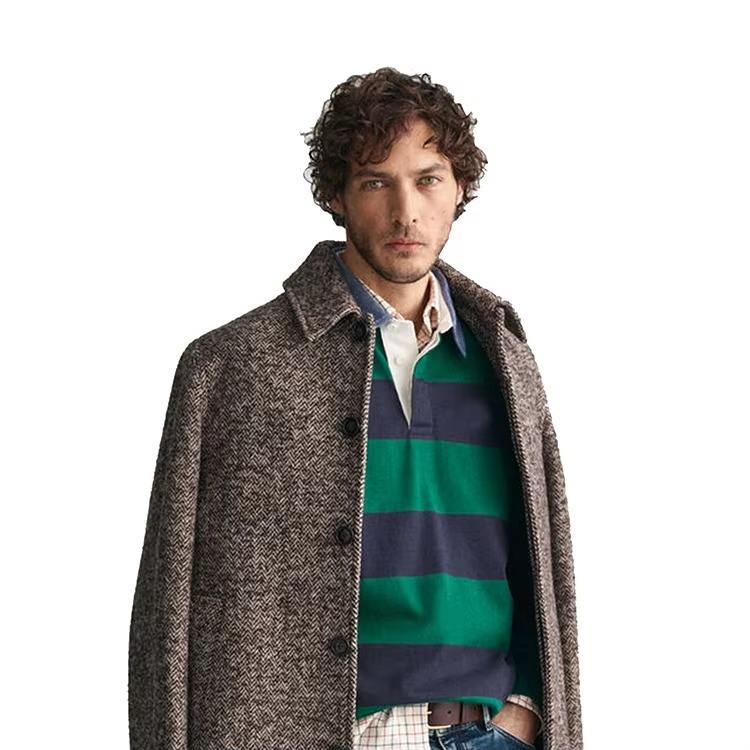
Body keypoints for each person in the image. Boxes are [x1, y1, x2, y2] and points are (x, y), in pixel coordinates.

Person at [128, 67, 584, 750]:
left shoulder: (505, 359)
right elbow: (163, 619)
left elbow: (541, 573)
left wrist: (527, 711)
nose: (406, 212)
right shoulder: (232, 367)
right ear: (337, 195)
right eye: (376, 182)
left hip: (492, 734)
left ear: (460, 188)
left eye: (428, 179)